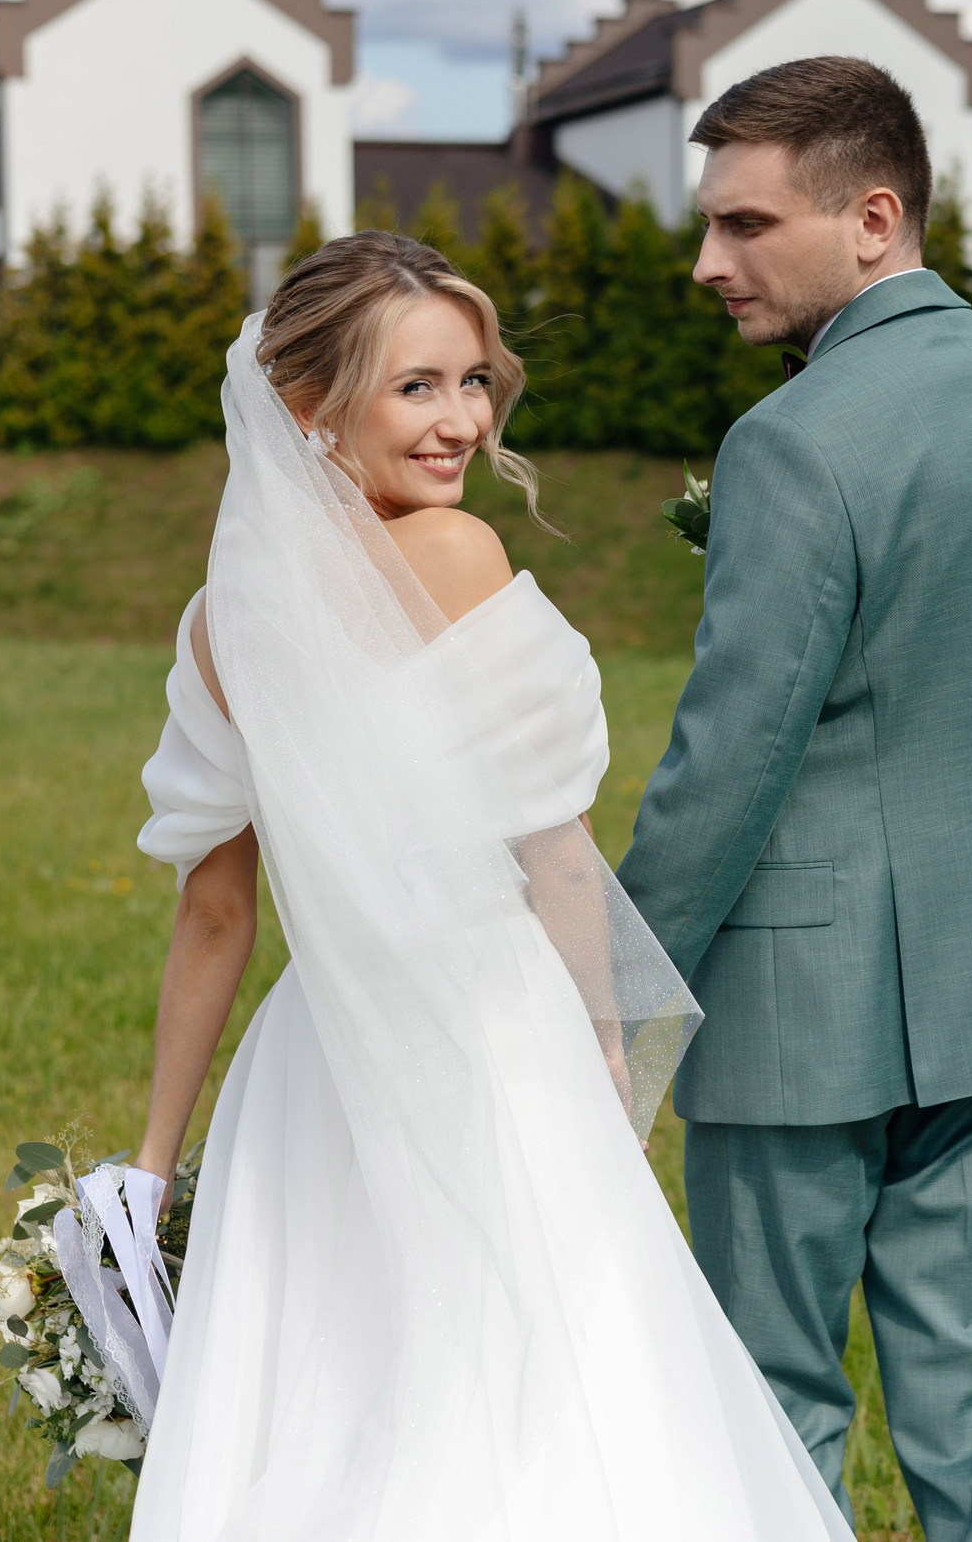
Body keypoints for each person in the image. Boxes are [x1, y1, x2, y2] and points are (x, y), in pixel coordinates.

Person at [121, 232, 851, 1541]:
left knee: (335, 1390)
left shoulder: (218, 620)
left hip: (313, 1062)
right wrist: (610, 1064)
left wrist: (154, 1166)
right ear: (309, 406)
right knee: (545, 1391)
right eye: (416, 387)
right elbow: (557, 857)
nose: (462, 419)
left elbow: (217, 915)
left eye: (472, 380)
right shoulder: (455, 557)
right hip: (486, 1029)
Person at [617, 57, 972, 1542]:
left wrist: (609, 986)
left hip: (804, 1008)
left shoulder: (790, 442)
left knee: (770, 1403)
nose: (707, 262)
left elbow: (730, 762)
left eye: (743, 225)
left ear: (872, 216)